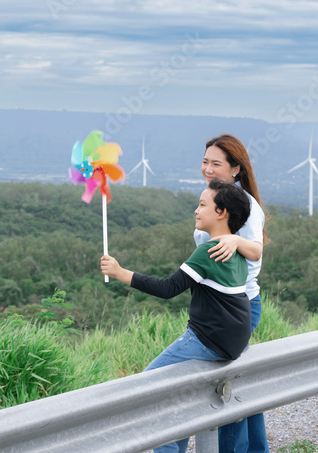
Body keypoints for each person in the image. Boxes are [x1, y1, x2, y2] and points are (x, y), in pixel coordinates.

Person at [101, 179, 253, 453]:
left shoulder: (208, 251)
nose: (196, 210)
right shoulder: (236, 249)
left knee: (146, 391)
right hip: (233, 344)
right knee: (175, 406)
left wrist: (120, 272)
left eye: (202, 204)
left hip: (207, 340)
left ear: (222, 212)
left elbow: (168, 288)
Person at [198, 133, 269, 453]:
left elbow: (255, 252)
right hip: (222, 306)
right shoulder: (215, 200)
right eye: (205, 162)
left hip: (238, 305)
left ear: (236, 169)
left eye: (216, 164)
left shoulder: (245, 206)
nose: (208, 169)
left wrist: (236, 242)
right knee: (236, 379)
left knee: (224, 384)